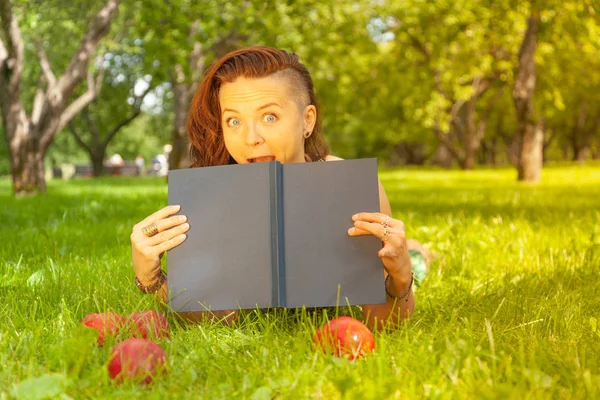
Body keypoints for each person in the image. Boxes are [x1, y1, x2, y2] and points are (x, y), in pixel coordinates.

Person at [130, 46, 428, 330]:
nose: (250, 138)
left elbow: (384, 321)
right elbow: (215, 317)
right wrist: (152, 279)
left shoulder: (351, 187)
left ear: (307, 120)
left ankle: (419, 252)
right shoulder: (210, 196)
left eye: (269, 117)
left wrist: (401, 277)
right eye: (233, 120)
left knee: (415, 259)